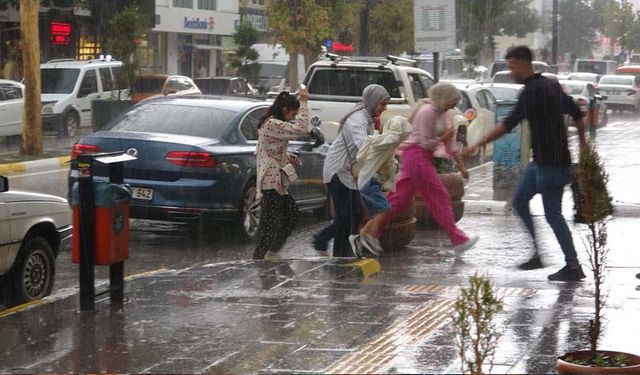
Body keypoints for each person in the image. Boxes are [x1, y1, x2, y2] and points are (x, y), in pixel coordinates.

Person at [464, 45, 588, 281]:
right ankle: (539, 255)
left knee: (553, 214)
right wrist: (582, 146)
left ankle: (572, 266)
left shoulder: (532, 91)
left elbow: (508, 124)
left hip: (551, 165)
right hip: (545, 161)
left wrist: (477, 143)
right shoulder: (551, 85)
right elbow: (578, 113)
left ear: (523, 64)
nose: (510, 72)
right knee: (520, 201)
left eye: (512, 67)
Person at [378, 82, 478, 255]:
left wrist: (461, 166)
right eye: (453, 101)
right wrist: (442, 137)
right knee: (439, 196)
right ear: (444, 99)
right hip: (416, 156)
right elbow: (425, 142)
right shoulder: (427, 112)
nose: (455, 105)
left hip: (421, 157)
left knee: (399, 199)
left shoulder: (443, 114)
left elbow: (451, 143)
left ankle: (369, 232)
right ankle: (458, 239)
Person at [313, 84, 390, 257]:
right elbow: (363, 146)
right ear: (373, 101)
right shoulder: (358, 119)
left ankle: (339, 251)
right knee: (348, 213)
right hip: (338, 170)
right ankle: (326, 243)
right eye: (383, 104)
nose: (384, 108)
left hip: (348, 171)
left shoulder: (367, 117)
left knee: (352, 213)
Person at [252, 89, 309, 260]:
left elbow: (267, 147)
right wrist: (305, 103)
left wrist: (286, 156)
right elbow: (302, 129)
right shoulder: (271, 123)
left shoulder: (272, 122)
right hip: (271, 180)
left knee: (286, 215)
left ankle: (268, 253)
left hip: (275, 179)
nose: (293, 117)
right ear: (285, 110)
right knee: (272, 221)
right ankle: (262, 256)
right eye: (294, 113)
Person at [348, 115, 413, 256]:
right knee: (385, 209)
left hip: (371, 183)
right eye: (401, 132)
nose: (401, 137)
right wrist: (396, 130)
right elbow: (393, 137)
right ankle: (363, 237)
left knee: (378, 214)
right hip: (367, 182)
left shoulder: (388, 146)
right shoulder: (381, 141)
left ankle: (364, 240)